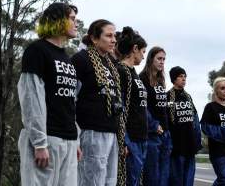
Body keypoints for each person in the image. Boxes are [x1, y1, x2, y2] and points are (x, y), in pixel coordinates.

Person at [17, 2, 81, 186]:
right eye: (72, 18)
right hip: (47, 139)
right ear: (57, 20)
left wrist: (75, 139)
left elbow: (69, 102)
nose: (76, 23)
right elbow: (31, 97)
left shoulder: (66, 58)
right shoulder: (37, 51)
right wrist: (39, 143)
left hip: (68, 140)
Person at [71, 19, 123, 186]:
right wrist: (75, 135)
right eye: (108, 35)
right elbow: (71, 98)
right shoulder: (81, 59)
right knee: (91, 181)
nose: (114, 40)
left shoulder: (111, 64)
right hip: (91, 132)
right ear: (94, 38)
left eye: (114, 35)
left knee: (109, 181)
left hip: (111, 130)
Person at [116, 26, 148, 186]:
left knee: (136, 180)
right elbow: (119, 108)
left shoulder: (134, 73)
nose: (143, 56)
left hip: (141, 137)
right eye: (143, 51)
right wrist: (124, 141)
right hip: (131, 138)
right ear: (134, 49)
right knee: (128, 181)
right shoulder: (121, 71)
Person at [139, 46, 172, 186]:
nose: (162, 62)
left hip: (165, 133)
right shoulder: (142, 78)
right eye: (159, 58)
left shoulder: (160, 80)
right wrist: (153, 125)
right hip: (151, 134)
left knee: (164, 175)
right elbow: (142, 106)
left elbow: (162, 107)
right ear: (151, 59)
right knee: (152, 175)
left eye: (164, 59)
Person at [167, 66, 202, 186]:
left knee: (189, 180)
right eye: (181, 76)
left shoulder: (188, 97)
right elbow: (166, 121)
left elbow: (195, 120)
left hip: (190, 144)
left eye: (185, 76)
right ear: (174, 79)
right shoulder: (168, 96)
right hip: (176, 145)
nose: (184, 79)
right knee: (176, 180)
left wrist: (198, 141)